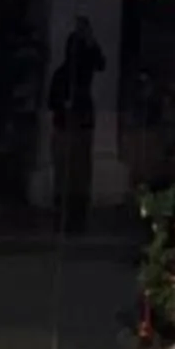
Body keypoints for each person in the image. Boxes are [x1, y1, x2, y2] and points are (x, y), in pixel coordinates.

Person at [49, 17, 107, 231]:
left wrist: (90, 38)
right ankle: (63, 212)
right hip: (65, 127)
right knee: (65, 172)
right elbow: (52, 102)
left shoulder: (85, 78)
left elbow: (100, 63)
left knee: (80, 172)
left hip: (81, 126)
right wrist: (63, 107)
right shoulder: (61, 75)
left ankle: (78, 214)